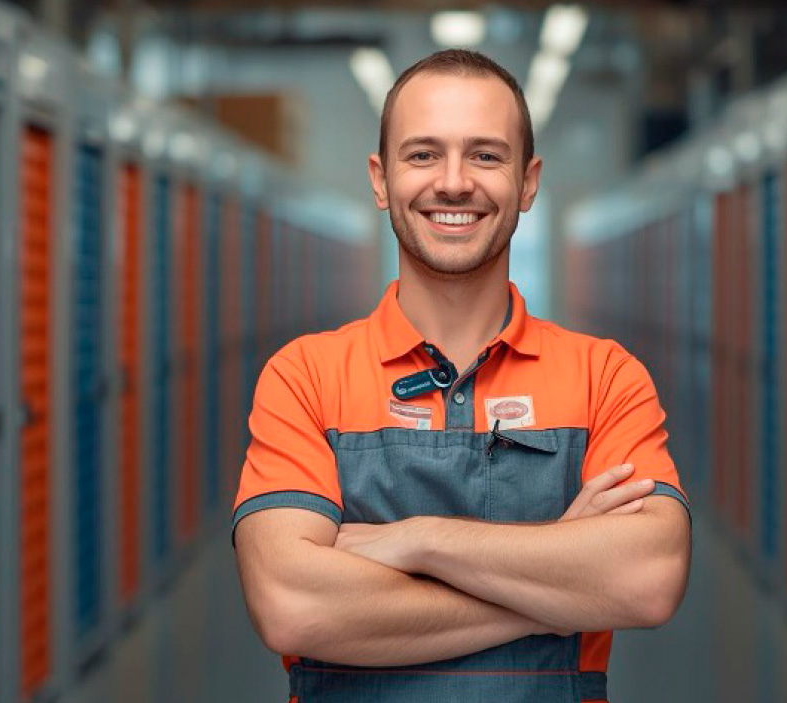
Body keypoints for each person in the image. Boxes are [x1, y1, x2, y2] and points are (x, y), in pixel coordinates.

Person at [231, 49, 691, 703]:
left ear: (528, 181)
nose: (453, 182)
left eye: (485, 155)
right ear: (380, 177)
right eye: (422, 154)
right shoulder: (306, 376)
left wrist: (417, 540)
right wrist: (561, 575)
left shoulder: (604, 377)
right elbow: (291, 604)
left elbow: (649, 576)